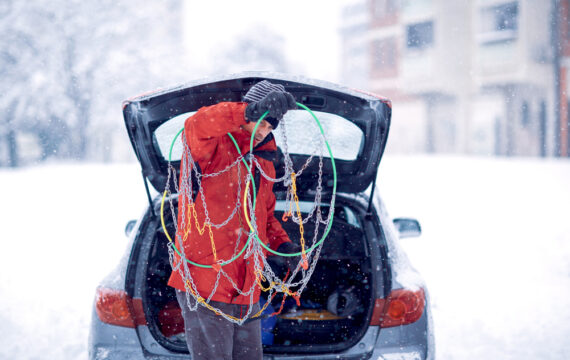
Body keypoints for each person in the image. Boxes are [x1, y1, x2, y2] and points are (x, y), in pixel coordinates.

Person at [167, 80, 300, 360]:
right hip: (205, 283)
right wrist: (247, 111)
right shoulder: (211, 146)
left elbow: (264, 216)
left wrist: (283, 244)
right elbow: (196, 123)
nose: (264, 131)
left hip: (247, 287)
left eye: (270, 127)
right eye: (261, 122)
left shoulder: (263, 161)